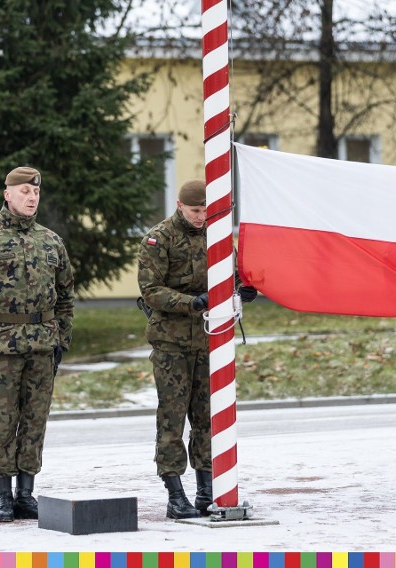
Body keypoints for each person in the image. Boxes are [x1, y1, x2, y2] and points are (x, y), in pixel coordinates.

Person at [0, 166, 75, 523]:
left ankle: (26, 493)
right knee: (4, 423)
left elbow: (66, 296)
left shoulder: (51, 241)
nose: (31, 197)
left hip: (42, 346)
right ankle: (3, 495)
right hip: (1, 349)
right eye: (24, 191)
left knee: (35, 421)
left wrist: (61, 341)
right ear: (7, 194)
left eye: (35, 192)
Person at [137, 179, 256, 519]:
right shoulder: (159, 238)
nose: (202, 216)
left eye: (205, 210)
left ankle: (206, 489)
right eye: (195, 211)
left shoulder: (215, 235)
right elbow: (151, 290)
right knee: (172, 418)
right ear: (179, 205)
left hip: (209, 340)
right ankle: (175, 495)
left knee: (206, 417)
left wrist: (242, 290)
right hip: (172, 341)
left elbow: (229, 277)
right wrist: (193, 302)